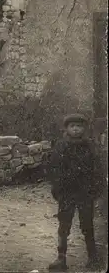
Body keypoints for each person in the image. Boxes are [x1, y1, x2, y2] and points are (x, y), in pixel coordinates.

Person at [48, 113, 106, 272]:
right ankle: (61, 259)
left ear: (84, 129)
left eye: (79, 126)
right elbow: (54, 169)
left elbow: (98, 170)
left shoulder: (90, 147)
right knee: (64, 224)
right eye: (72, 126)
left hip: (85, 193)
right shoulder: (61, 146)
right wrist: (57, 189)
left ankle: (93, 257)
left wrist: (96, 189)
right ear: (66, 128)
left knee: (87, 224)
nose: (75, 129)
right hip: (66, 193)